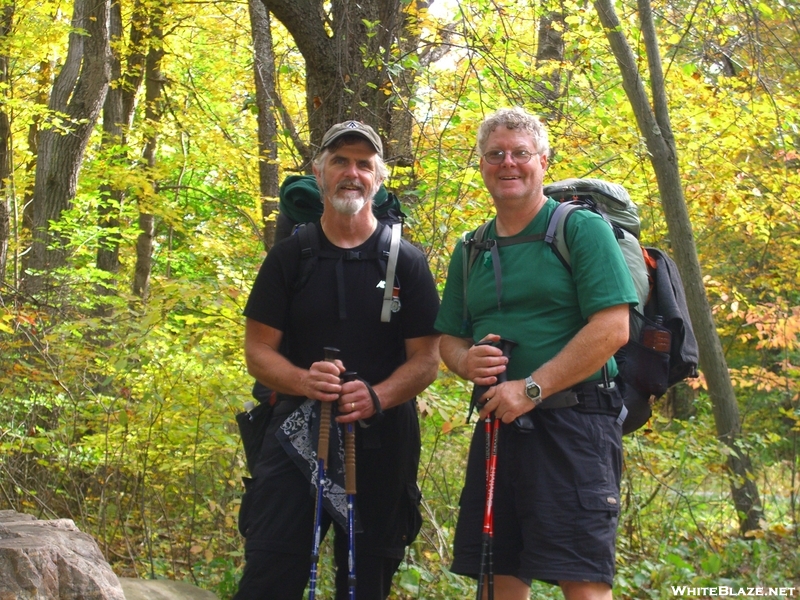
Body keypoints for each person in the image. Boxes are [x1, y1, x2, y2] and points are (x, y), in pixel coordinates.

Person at [434, 107, 639, 600]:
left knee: (583, 582)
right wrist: (466, 362)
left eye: (521, 153)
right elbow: (447, 338)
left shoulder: (580, 230)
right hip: (499, 427)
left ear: (543, 162)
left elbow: (613, 328)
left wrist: (531, 388)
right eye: (495, 154)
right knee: (497, 578)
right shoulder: (473, 247)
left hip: (576, 424)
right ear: (482, 165)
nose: (509, 163)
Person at [235, 120, 441, 599]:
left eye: (364, 164)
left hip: (382, 443)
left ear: (379, 177)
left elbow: (428, 360)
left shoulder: (405, 261)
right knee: (269, 576)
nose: (352, 173)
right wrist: (303, 381)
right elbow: (257, 352)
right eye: (340, 161)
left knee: (366, 583)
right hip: (293, 440)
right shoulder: (291, 257)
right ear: (319, 172)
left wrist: (376, 396)